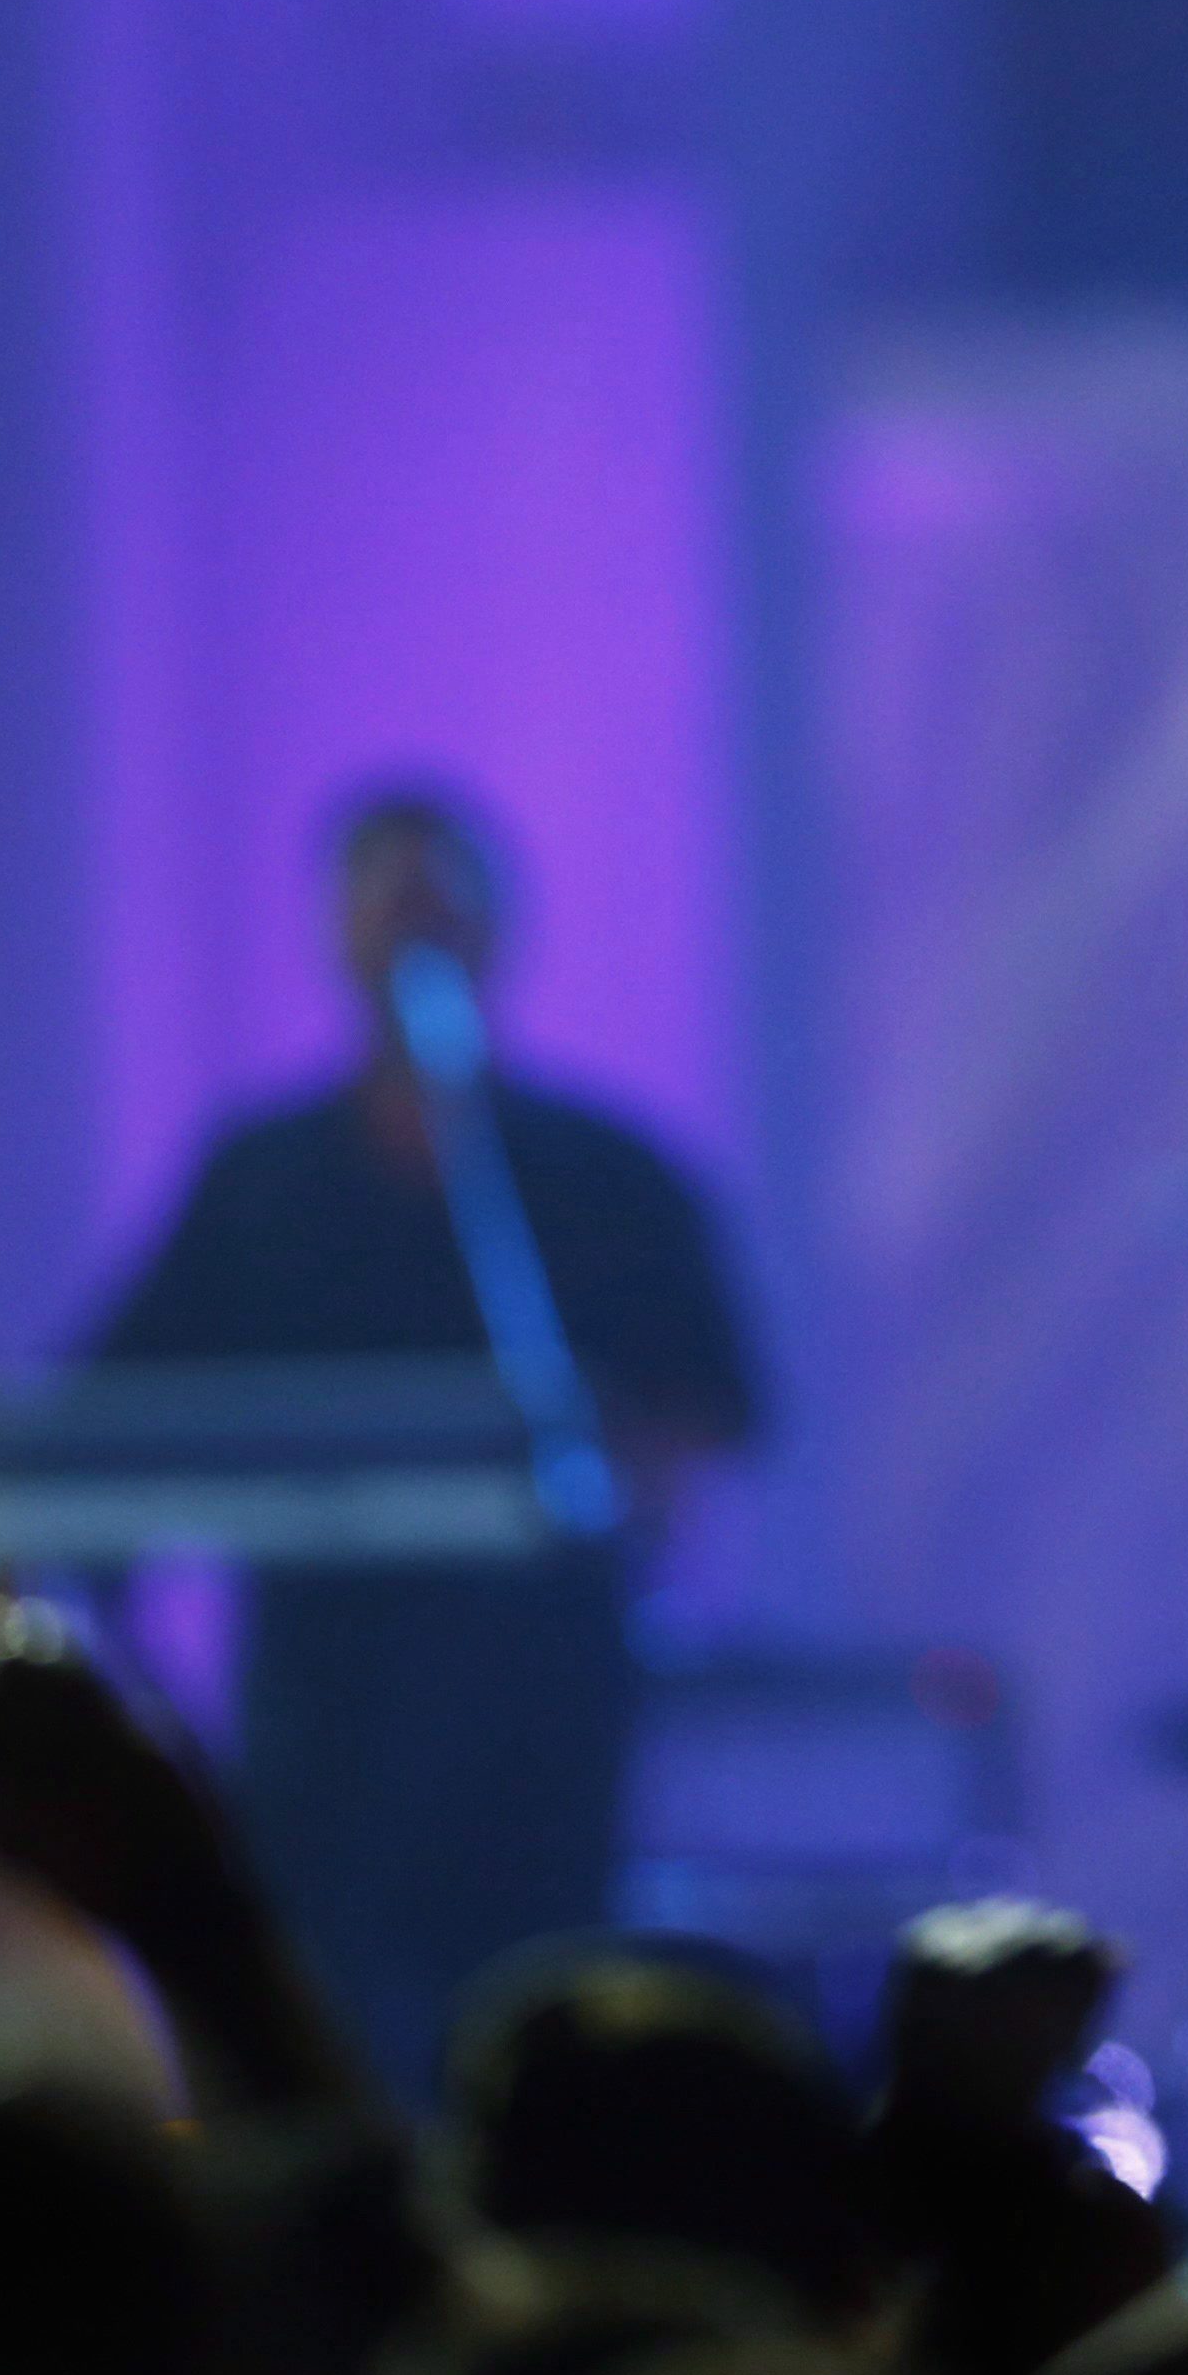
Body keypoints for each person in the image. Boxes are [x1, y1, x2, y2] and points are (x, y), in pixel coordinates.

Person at [86, 789, 761, 2100]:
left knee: (536, 2023)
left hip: (540, 1686)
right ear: (336, 934)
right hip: (321, 1702)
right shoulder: (263, 1179)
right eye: (385, 902)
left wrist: (631, 1504)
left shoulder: (601, 1176)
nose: (413, 933)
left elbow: (705, 1400)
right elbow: (117, 1408)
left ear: (498, 931)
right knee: (323, 2015)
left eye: (440, 904)